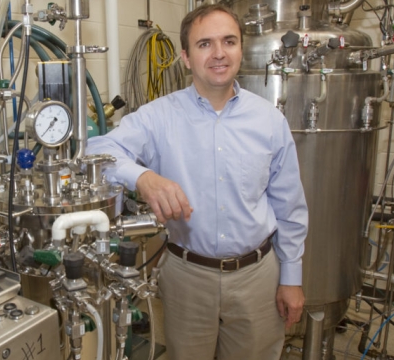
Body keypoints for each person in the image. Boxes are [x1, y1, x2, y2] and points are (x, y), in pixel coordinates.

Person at [85, 4, 309, 359]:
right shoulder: (158, 116)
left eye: (229, 41)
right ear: (187, 58)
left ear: (240, 50)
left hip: (257, 277)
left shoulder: (269, 120)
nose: (219, 53)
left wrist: (291, 278)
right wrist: (143, 177)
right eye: (205, 44)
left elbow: (289, 206)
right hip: (187, 276)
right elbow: (96, 149)